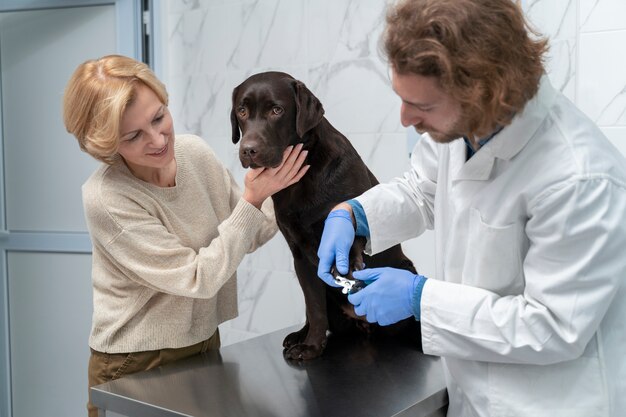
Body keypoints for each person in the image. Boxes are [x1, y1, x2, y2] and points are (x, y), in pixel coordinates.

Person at [316, 0, 626, 416]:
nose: (406, 119)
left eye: (422, 106)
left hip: (548, 403)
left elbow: (552, 326)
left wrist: (419, 299)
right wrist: (355, 214)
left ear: (484, 89)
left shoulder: (579, 177)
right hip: (473, 395)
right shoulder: (464, 127)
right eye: (403, 99)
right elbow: (421, 190)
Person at [63, 54, 309, 417]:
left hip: (203, 342)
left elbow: (249, 232)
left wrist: (290, 186)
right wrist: (255, 197)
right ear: (104, 144)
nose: (159, 139)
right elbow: (197, 278)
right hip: (134, 363)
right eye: (133, 136)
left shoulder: (193, 153)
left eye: (159, 117)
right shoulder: (108, 198)